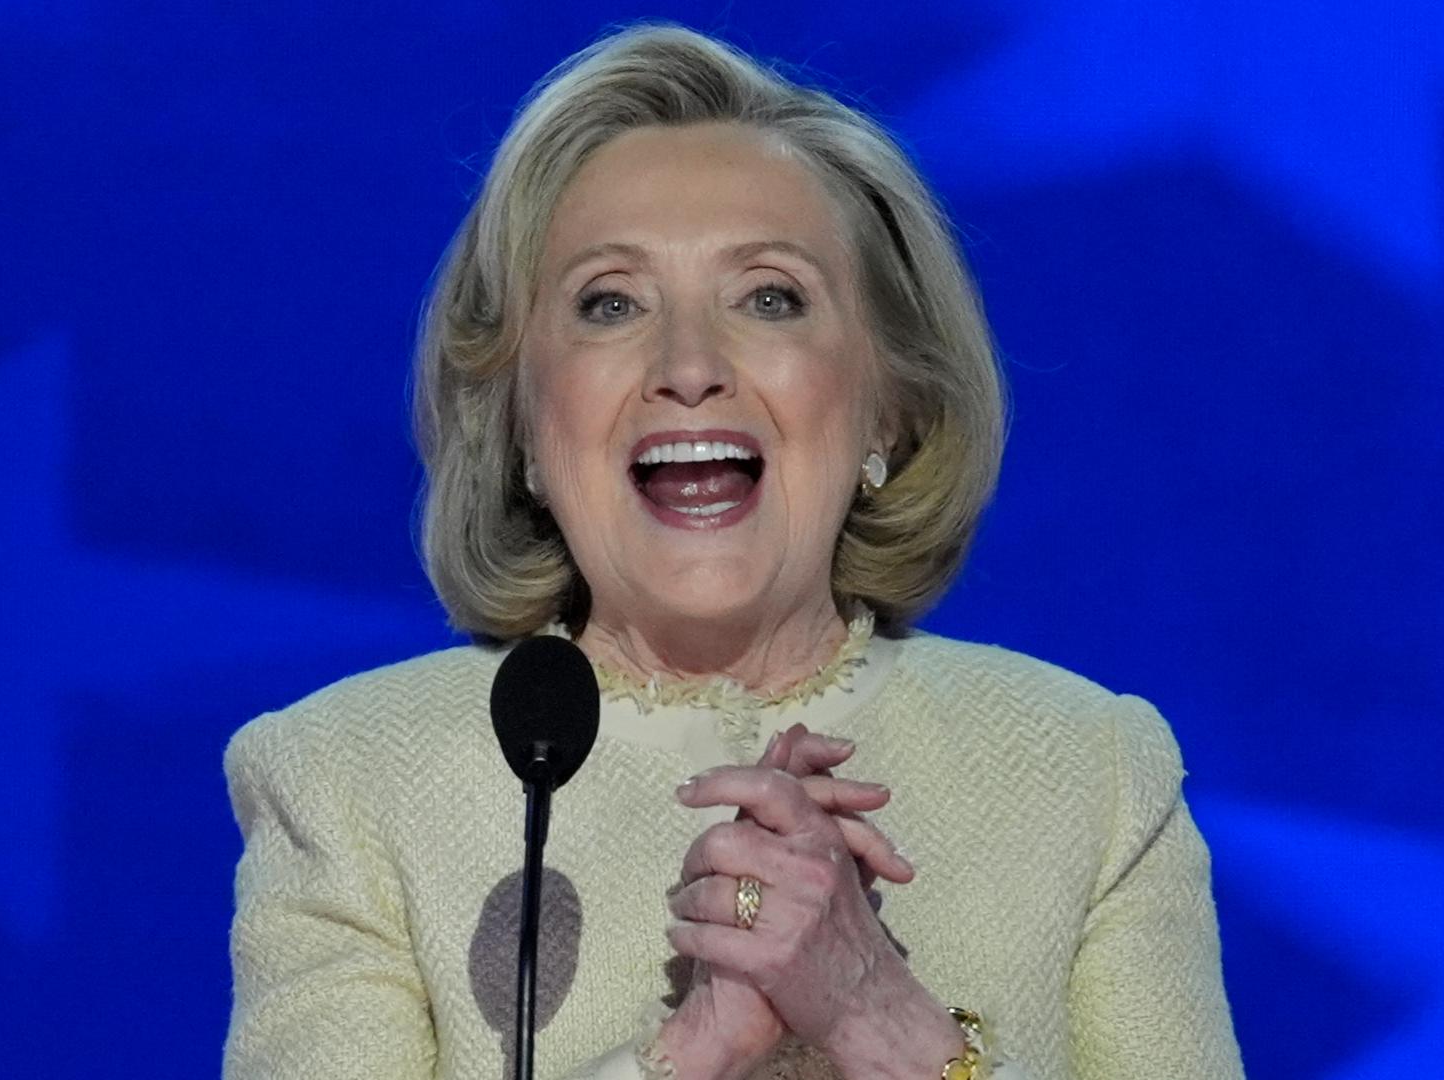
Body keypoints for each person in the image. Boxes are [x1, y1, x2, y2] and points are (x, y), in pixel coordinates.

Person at [222, 23, 1244, 1080]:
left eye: (770, 296)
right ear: (521, 422)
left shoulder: (1090, 775)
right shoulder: (349, 780)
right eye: (610, 303)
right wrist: (691, 1052)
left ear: (887, 406)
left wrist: (878, 1019)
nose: (690, 364)